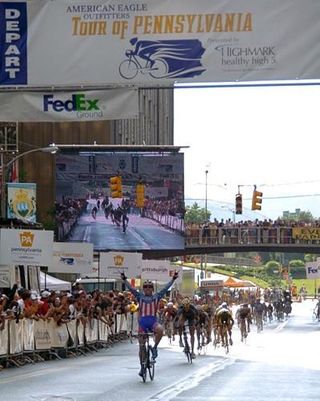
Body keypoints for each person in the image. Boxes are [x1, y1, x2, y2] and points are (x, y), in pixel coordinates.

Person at [120, 271, 179, 377]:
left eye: (149, 287)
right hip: (143, 323)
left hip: (153, 322)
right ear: (143, 288)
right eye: (145, 287)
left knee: (160, 330)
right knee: (141, 346)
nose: (147, 288)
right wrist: (124, 279)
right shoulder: (139, 296)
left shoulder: (157, 296)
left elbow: (166, 288)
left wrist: (173, 279)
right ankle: (142, 367)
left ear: (152, 289)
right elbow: (131, 289)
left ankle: (155, 347)